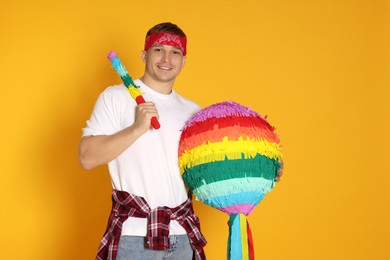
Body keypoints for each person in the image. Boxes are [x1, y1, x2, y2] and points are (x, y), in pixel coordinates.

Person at [79, 22, 207, 260]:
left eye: (175, 52)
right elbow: (86, 157)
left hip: (182, 236)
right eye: (159, 49)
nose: (166, 58)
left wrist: (254, 176)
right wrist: (137, 128)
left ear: (183, 61)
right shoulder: (115, 97)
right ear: (144, 54)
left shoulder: (193, 111)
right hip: (134, 237)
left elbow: (198, 178)